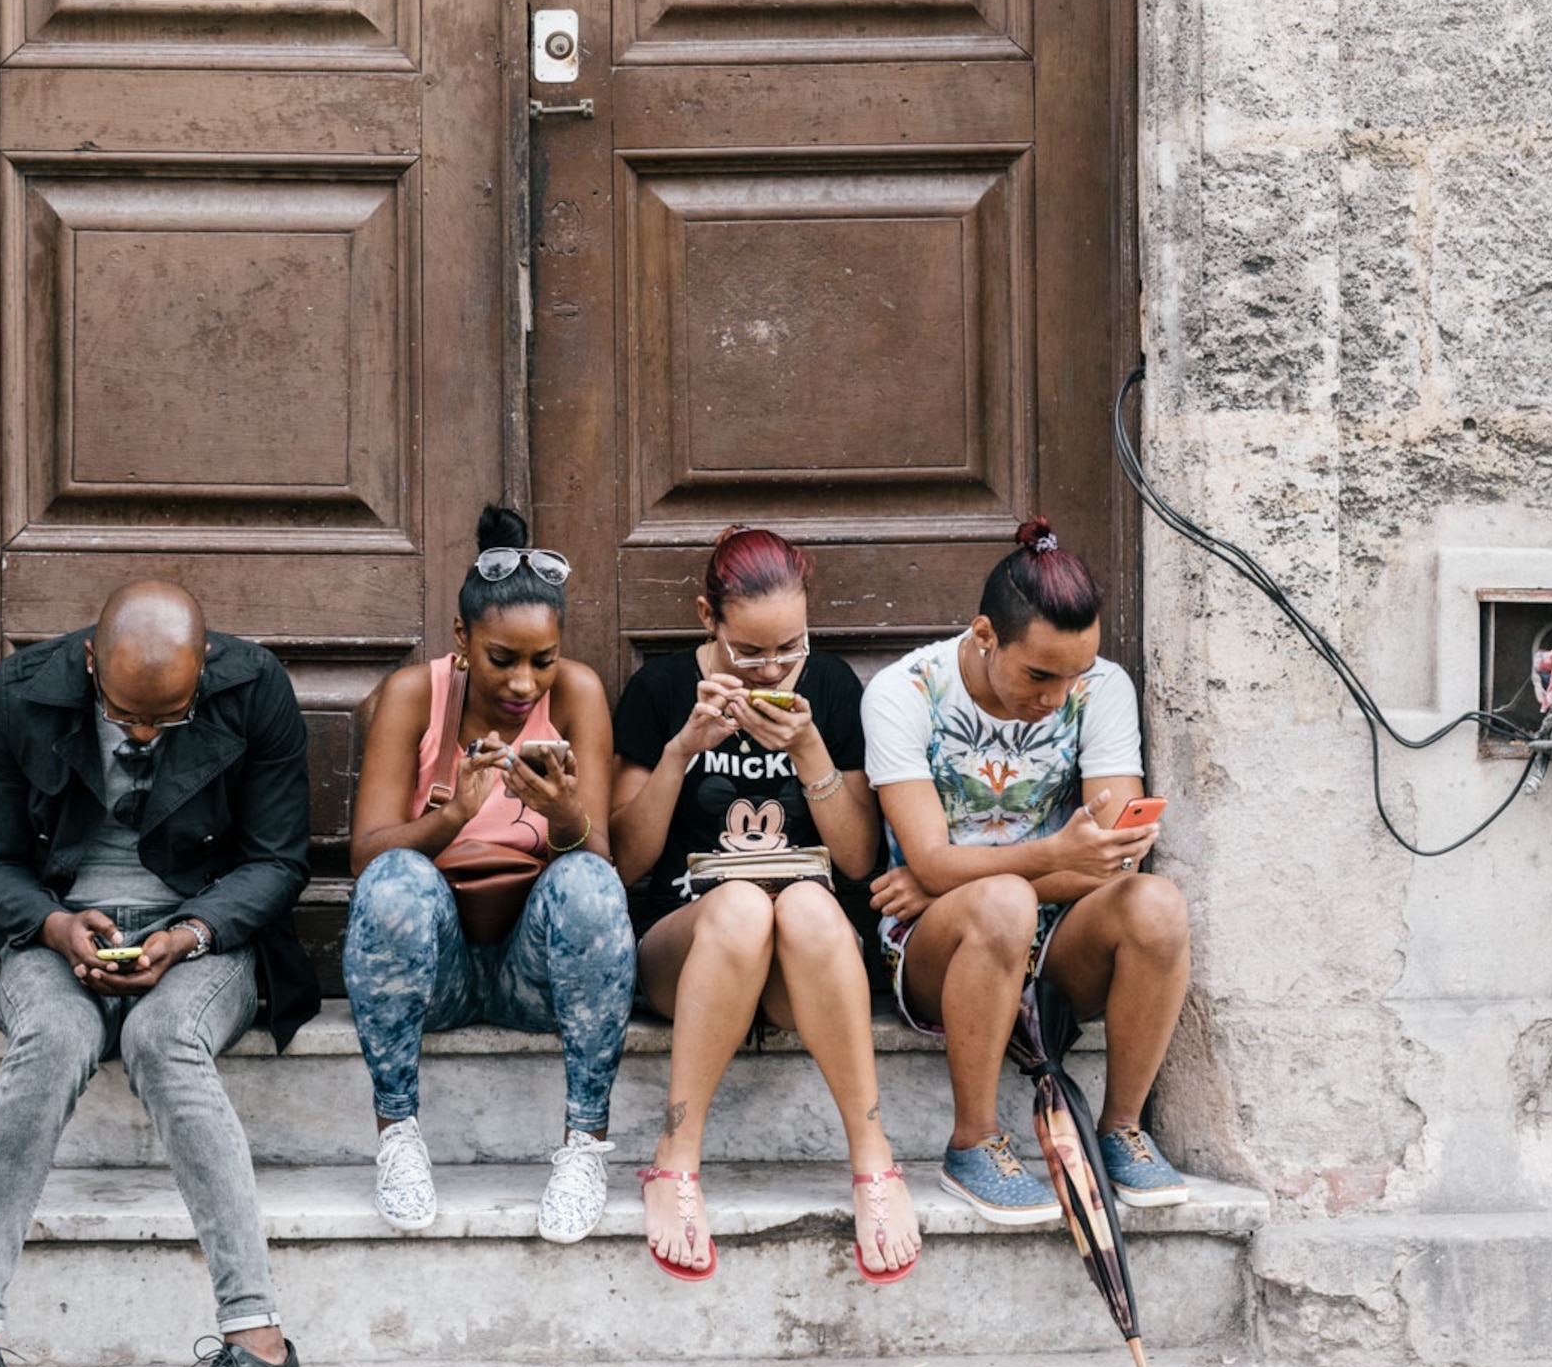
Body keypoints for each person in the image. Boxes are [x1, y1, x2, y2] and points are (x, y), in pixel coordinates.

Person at [0, 577, 320, 1367]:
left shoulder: (254, 690)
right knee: (54, 1039)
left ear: (205, 666)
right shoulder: (21, 692)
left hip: (202, 934)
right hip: (50, 927)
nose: (145, 736)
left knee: (164, 1036)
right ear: (90, 660)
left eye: (167, 720)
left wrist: (187, 933)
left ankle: (258, 1349)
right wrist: (55, 924)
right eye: (127, 716)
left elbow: (276, 860)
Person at [611, 527, 920, 1287]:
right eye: (751, 653)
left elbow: (856, 861)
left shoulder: (834, 687)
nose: (774, 667)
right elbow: (626, 859)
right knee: (744, 905)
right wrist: (682, 749)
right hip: (685, 945)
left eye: (790, 646)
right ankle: (675, 1159)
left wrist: (811, 752)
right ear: (705, 619)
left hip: (800, 963)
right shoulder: (658, 691)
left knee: (812, 906)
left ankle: (873, 1160)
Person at [864, 516, 1192, 1226]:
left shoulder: (1098, 688)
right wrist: (1032, 861)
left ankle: (1121, 1129)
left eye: (1074, 673)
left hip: (1055, 938)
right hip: (938, 946)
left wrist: (961, 871)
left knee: (1156, 904)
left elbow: (1115, 854)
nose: (1058, 696)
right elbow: (926, 861)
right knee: (1001, 904)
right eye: (1038, 674)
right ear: (984, 636)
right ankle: (974, 1140)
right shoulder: (904, 693)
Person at [344, 506, 635, 1244]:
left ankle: (582, 1146)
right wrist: (448, 818)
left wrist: (563, 812)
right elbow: (364, 858)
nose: (524, 681)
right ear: (461, 639)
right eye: (503, 657)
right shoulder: (416, 696)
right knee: (396, 881)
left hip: (532, 974)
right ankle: (398, 1135)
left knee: (590, 887)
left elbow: (598, 858)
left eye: (542, 659)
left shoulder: (577, 695)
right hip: (435, 974)